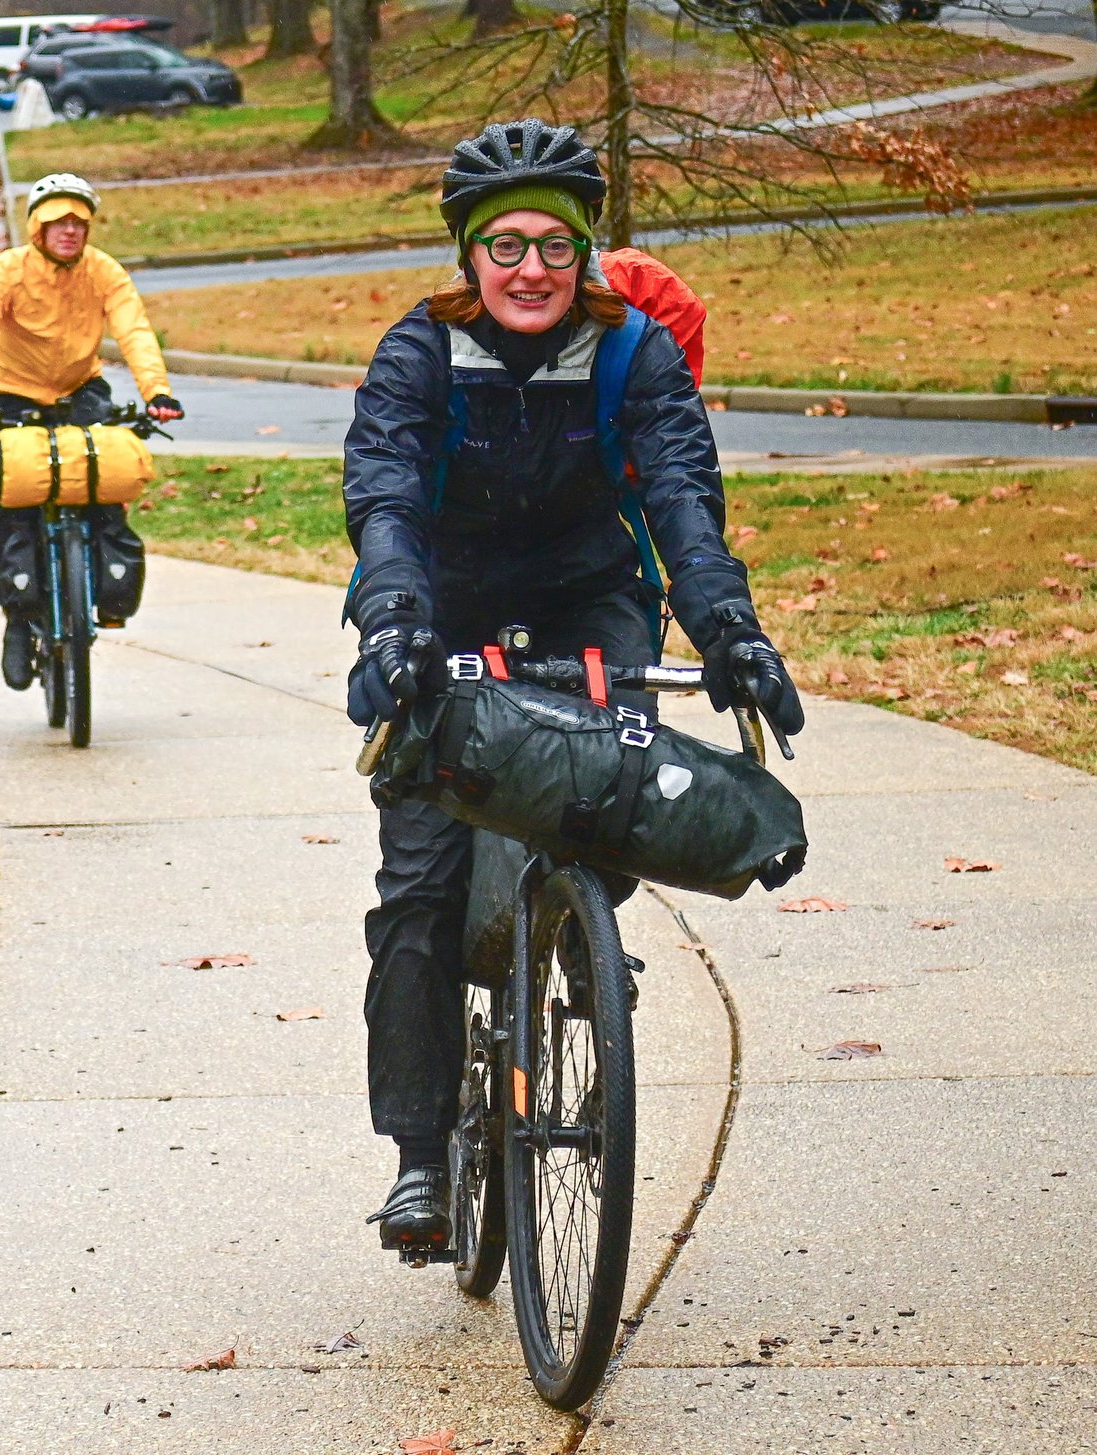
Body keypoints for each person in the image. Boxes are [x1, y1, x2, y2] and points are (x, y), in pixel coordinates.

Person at [341, 120, 805, 1255]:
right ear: (468, 255)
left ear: (586, 251)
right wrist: (393, 619)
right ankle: (418, 1161)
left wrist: (729, 629)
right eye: (504, 245)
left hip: (590, 599)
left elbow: (683, 502)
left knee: (606, 799)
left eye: (556, 243)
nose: (531, 269)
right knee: (419, 890)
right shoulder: (416, 353)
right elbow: (384, 494)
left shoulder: (631, 352)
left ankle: (573, 935)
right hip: (441, 606)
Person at [0, 172, 183, 691]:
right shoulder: (3, 274)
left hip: (82, 392)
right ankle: (15, 619)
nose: (70, 231)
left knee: (104, 484)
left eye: (79, 221)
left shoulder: (103, 272)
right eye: (58, 222)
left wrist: (156, 393)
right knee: (16, 506)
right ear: (37, 228)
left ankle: (104, 593)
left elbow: (134, 329)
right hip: (13, 397)